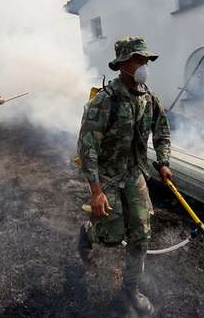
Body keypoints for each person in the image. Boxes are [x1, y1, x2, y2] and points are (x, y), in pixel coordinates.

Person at [76, 36, 171, 316]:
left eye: (146, 60)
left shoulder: (149, 98)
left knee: (141, 234)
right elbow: (87, 147)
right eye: (138, 60)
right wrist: (96, 191)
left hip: (134, 173)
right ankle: (89, 231)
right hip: (107, 175)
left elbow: (162, 132)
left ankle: (131, 289)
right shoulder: (105, 101)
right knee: (112, 237)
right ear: (122, 64)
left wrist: (164, 162)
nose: (143, 65)